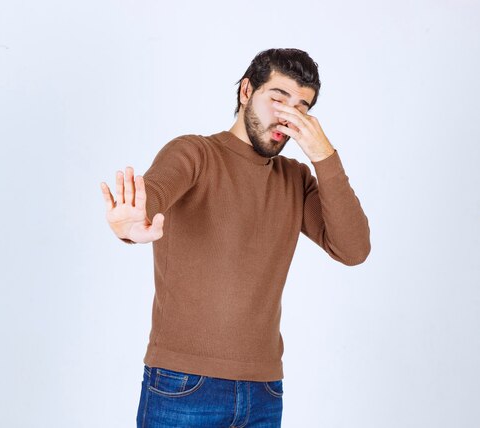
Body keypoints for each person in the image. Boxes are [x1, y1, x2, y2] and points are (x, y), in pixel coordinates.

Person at [100, 48, 370, 428]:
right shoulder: (195, 152)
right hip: (184, 385)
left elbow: (354, 248)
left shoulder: (296, 178)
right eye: (278, 98)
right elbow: (157, 189)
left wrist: (324, 156)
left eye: (301, 108)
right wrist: (133, 221)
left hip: (264, 392)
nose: (287, 116)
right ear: (247, 91)